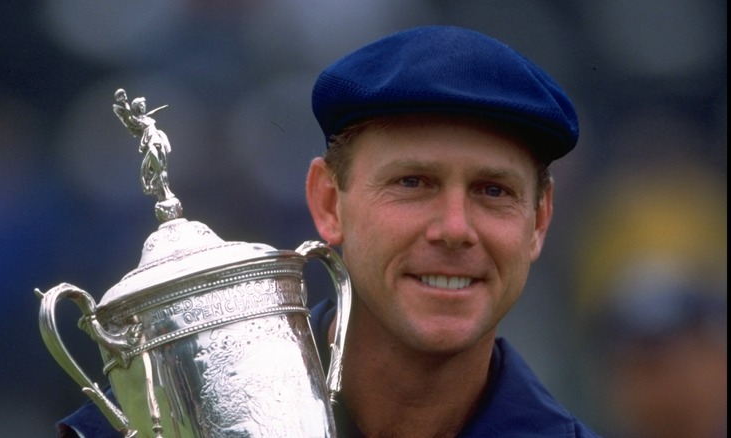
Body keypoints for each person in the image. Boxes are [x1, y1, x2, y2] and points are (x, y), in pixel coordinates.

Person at [57, 25, 598, 437]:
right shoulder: (155, 421)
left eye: (493, 191)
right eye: (414, 182)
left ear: (539, 220)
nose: (455, 228)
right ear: (326, 202)